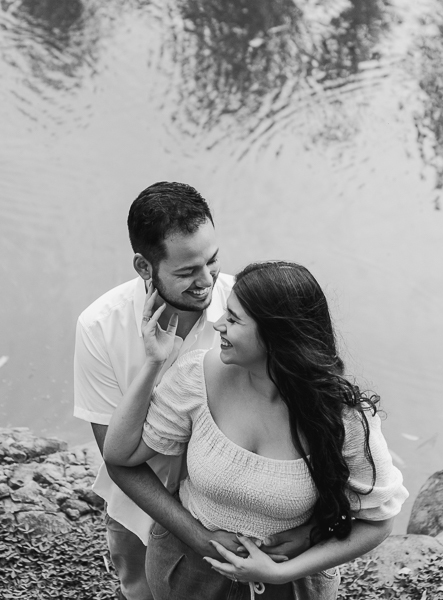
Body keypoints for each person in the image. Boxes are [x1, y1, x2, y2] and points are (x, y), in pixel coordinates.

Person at [103, 261, 409, 600]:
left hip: (291, 588)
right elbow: (120, 456)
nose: (217, 324)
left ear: (276, 337)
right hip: (188, 575)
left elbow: (378, 520)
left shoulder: (345, 418)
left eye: (233, 319)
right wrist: (153, 363)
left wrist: (280, 571)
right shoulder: (197, 376)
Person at [73, 184, 312, 600]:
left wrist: (309, 527)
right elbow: (117, 457)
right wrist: (200, 537)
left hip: (242, 515)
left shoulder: (248, 310)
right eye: (186, 272)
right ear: (144, 267)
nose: (206, 282)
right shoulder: (99, 328)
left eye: (213, 261)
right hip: (136, 509)